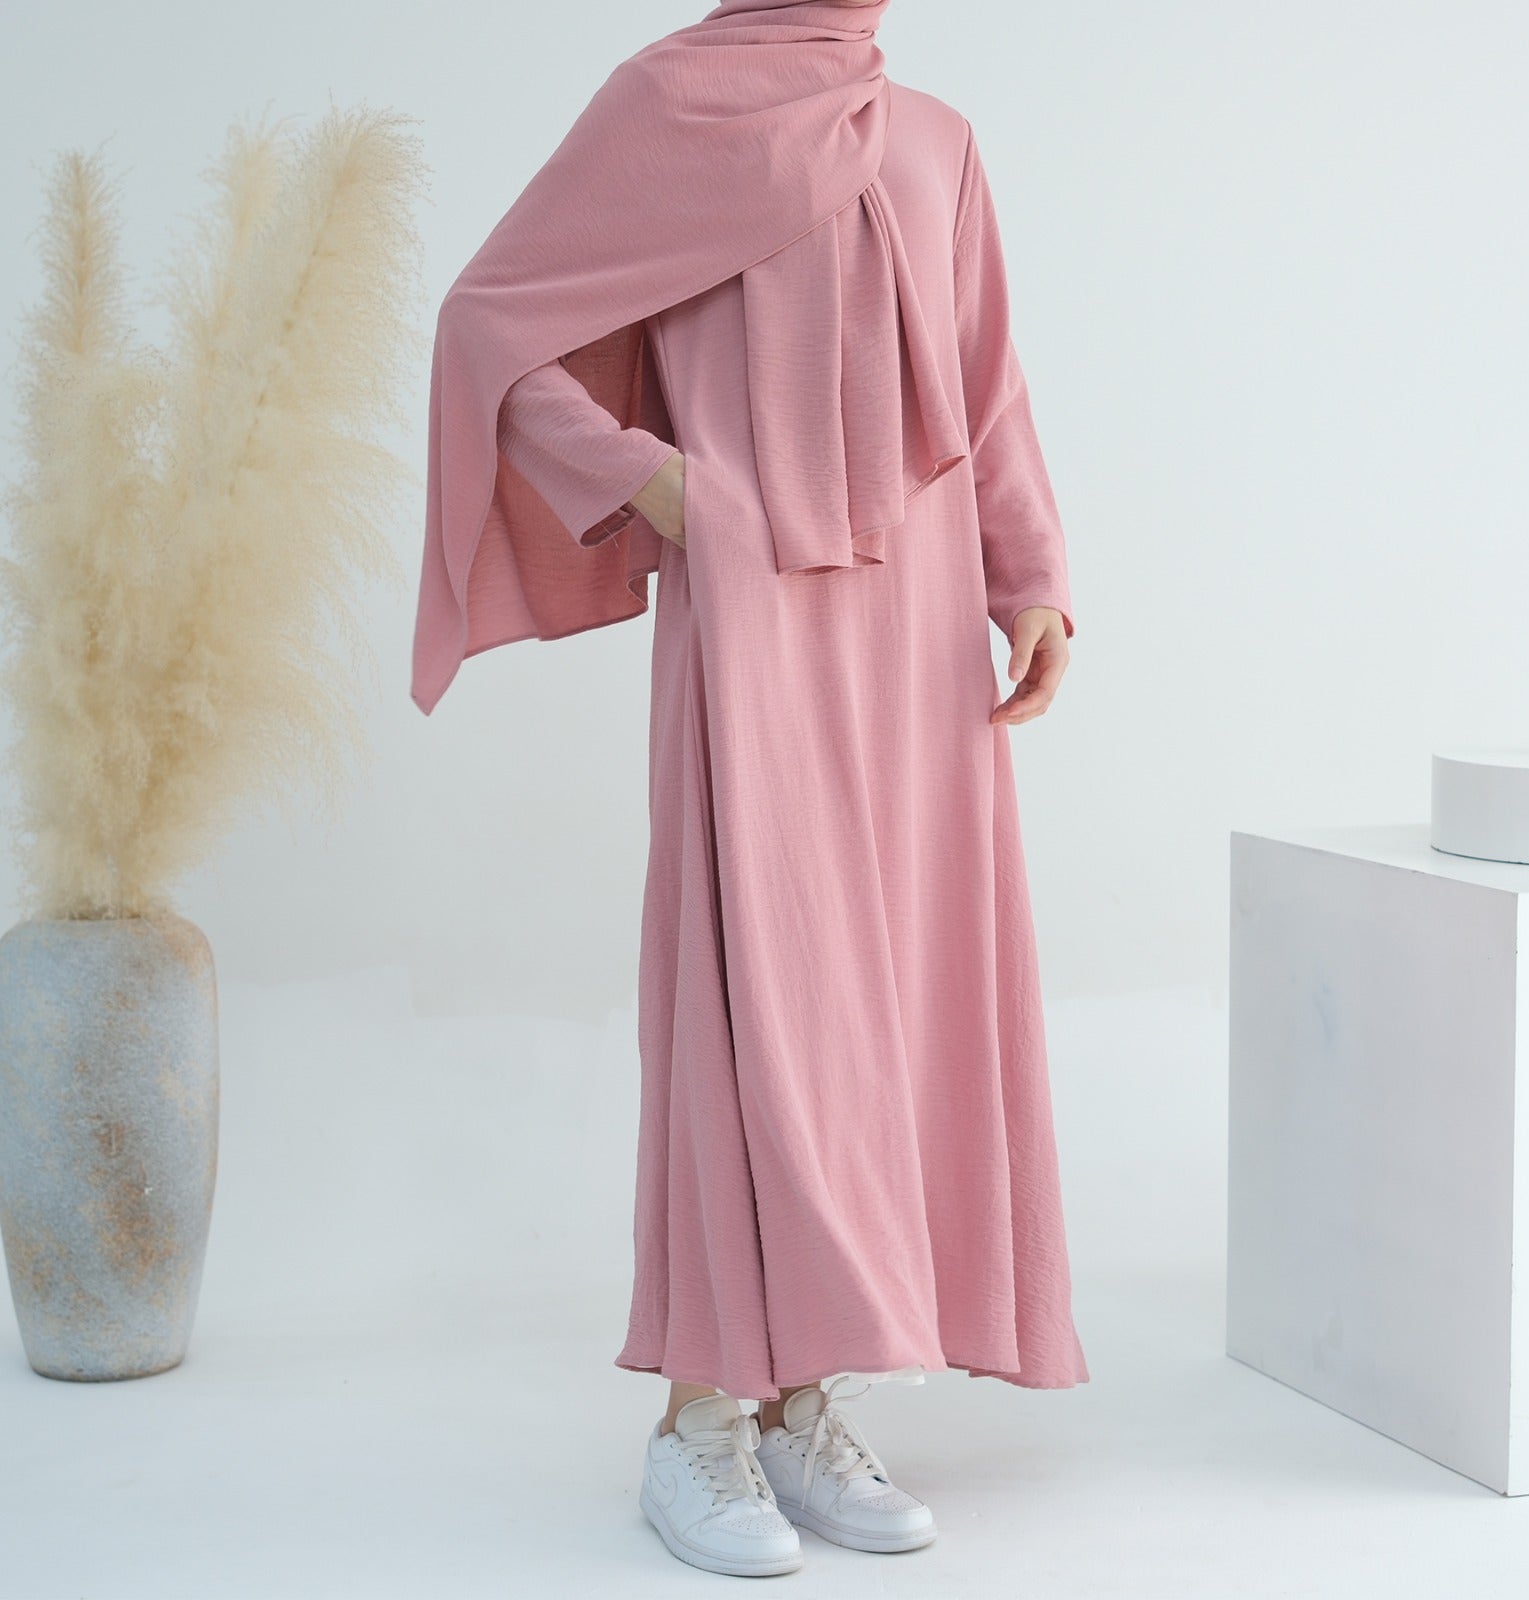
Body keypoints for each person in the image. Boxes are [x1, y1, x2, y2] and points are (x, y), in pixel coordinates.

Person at [427, 0, 1088, 1580]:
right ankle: (697, 1423)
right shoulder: (670, 103)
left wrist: (1032, 580)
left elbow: (987, 385)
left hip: (919, 628)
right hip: (753, 614)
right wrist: (656, 483)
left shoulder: (935, 138)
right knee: (754, 991)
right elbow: (489, 326)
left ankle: (804, 1404)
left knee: (886, 996)